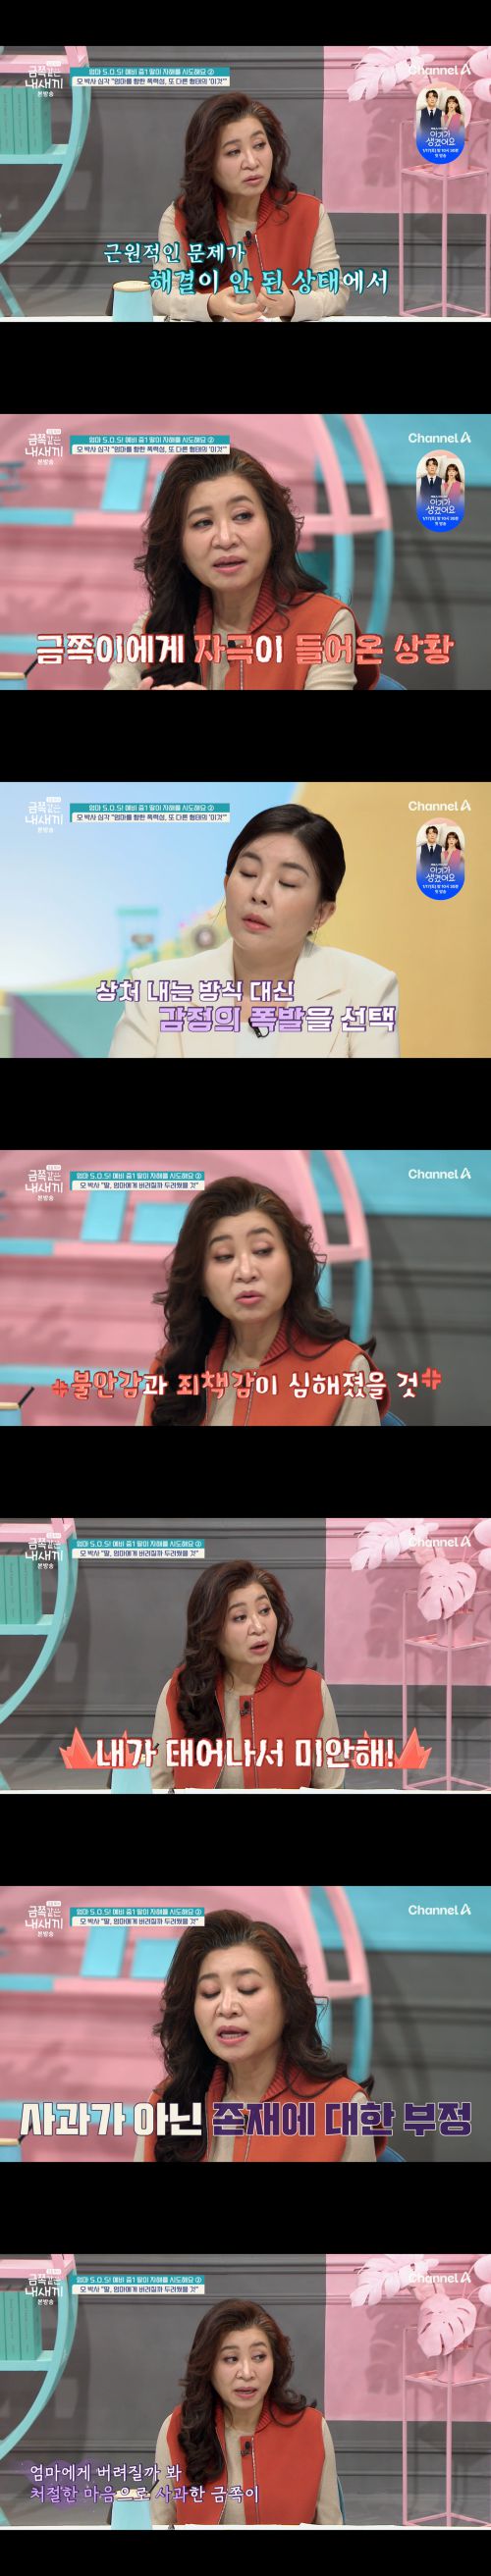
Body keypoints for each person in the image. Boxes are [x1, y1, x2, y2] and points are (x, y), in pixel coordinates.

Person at [110, 802, 399, 1058]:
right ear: (226, 885)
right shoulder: (153, 989)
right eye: (248, 873)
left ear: (321, 913)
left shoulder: (367, 989)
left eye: (287, 882)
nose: (259, 893)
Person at [104, 449, 375, 696]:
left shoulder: (326, 624)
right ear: (178, 545)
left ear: (273, 526)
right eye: (203, 522)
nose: (225, 539)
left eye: (242, 516)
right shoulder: (155, 628)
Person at [135, 1174, 390, 1427]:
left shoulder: (345, 1370)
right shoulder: (174, 1368)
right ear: (200, 1280)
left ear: (292, 1262)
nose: (246, 1272)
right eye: (224, 1256)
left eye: (262, 1250)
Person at [136, 1911, 386, 2165]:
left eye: (248, 1989)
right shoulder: (167, 2103)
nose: (226, 2007)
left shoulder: (345, 2108)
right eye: (210, 1992)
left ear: (288, 2003)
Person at [150, 89, 349, 323]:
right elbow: (163, 293)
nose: (252, 162)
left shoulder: (309, 212)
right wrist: (210, 305)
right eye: (233, 152)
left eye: (259, 145)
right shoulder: (180, 216)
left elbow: (335, 292)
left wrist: (293, 304)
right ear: (206, 162)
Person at [150, 1557, 346, 1791]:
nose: (259, 1627)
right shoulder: (180, 1693)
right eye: (240, 1617)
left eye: (264, 1610)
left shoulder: (311, 1690)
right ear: (210, 1631)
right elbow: (158, 1787)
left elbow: (331, 1789)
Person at [150, 2297, 345, 2523]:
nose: (246, 2372)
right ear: (208, 2366)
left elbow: (331, 2525)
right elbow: (157, 2524)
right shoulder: (178, 2428)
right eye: (230, 2359)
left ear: (275, 2361)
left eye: (259, 2357)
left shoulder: (311, 2428)